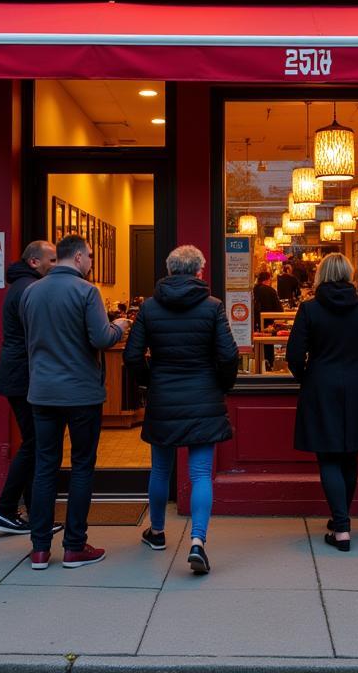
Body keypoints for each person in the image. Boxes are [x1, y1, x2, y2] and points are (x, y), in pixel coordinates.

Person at [126, 245, 238, 575]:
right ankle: (197, 542)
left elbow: (132, 356)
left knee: (160, 469)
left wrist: (150, 381)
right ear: (199, 271)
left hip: (164, 398)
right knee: (201, 473)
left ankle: (157, 532)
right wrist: (222, 385)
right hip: (204, 396)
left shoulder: (149, 307)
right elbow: (229, 355)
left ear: (170, 270)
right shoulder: (212, 307)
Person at [20, 235, 123, 571]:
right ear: (78, 257)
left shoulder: (31, 292)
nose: (91, 262)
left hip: (42, 392)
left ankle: (39, 549)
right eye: (90, 256)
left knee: (44, 467)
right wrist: (119, 327)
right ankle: (74, 546)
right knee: (81, 466)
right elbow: (101, 338)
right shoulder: (86, 292)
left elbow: (29, 339)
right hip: (80, 393)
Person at [286, 254, 358, 551]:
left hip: (321, 383)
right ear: (348, 274)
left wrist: (307, 375)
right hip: (356, 383)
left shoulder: (310, 308)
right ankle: (341, 518)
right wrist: (357, 361)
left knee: (328, 455)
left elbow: (294, 354)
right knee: (350, 455)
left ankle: (341, 527)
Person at [0, 240, 60, 536]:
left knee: (34, 443)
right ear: (34, 262)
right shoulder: (29, 289)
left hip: (18, 374)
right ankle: (5, 510)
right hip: (24, 376)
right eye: (52, 260)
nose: (56, 266)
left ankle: (34, 515)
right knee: (35, 445)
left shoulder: (22, 285)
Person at [252, 269, 284, 371]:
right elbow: (279, 311)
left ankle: (256, 367)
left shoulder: (252, 290)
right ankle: (268, 366)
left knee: (256, 349)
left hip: (254, 326)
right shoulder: (270, 291)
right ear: (267, 280)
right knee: (268, 347)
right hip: (268, 326)